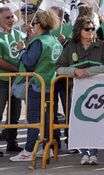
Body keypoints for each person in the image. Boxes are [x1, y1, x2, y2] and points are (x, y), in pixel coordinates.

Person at [56, 16, 104, 165]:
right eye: (87, 29)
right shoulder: (70, 47)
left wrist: (87, 71)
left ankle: (93, 153)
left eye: (93, 29)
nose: (90, 31)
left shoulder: (101, 45)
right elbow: (59, 68)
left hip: (96, 92)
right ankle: (84, 152)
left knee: (94, 121)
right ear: (79, 30)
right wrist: (74, 71)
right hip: (75, 91)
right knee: (78, 122)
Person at [10, 9, 62, 163]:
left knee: (34, 119)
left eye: (34, 23)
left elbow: (28, 61)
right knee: (46, 118)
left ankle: (28, 150)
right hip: (49, 84)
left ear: (39, 24)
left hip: (36, 85)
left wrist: (21, 50)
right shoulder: (55, 41)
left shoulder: (39, 42)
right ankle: (46, 147)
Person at [0, 6, 24, 155]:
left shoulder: (19, 35)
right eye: (6, 18)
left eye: (11, 17)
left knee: (14, 114)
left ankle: (12, 143)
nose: (10, 20)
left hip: (17, 81)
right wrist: (17, 70)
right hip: (2, 80)